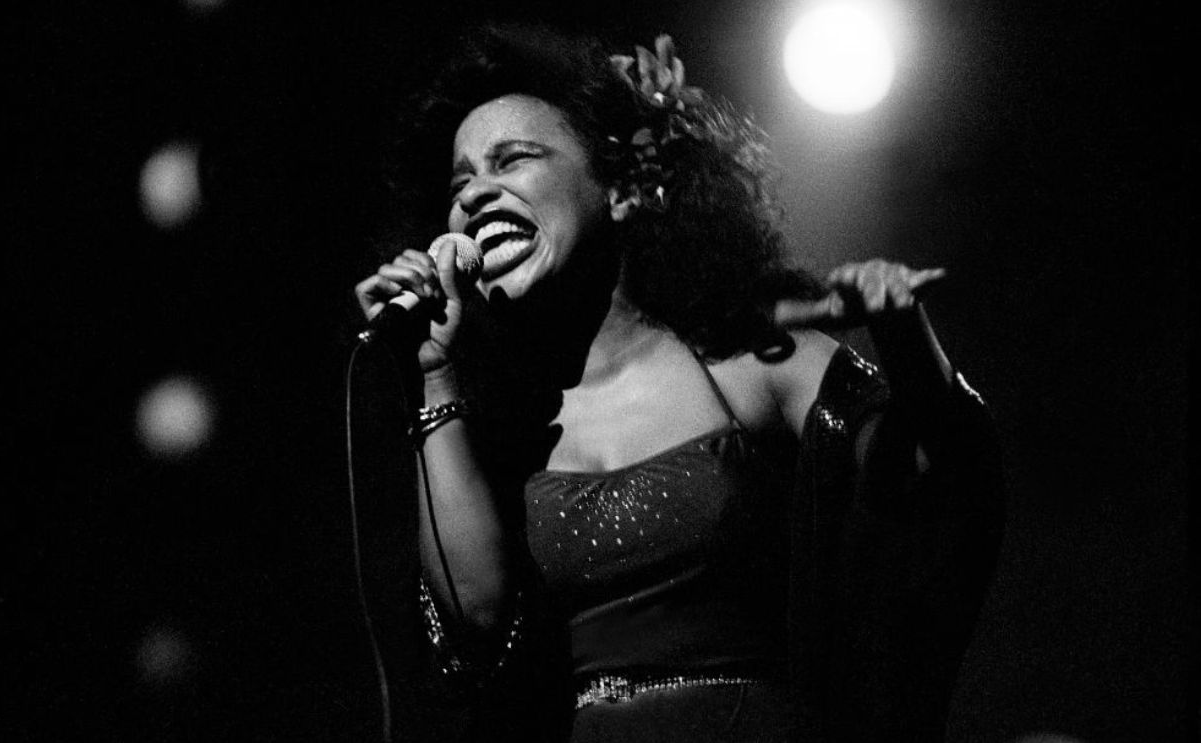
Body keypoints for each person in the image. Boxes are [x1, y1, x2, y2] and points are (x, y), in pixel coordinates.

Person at [356, 23, 1002, 743]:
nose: (475, 195)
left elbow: (935, 474)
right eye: (460, 183)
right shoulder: (495, 428)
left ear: (623, 192)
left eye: (512, 160)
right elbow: (475, 620)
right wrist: (434, 368)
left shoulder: (739, 358)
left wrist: (902, 332)